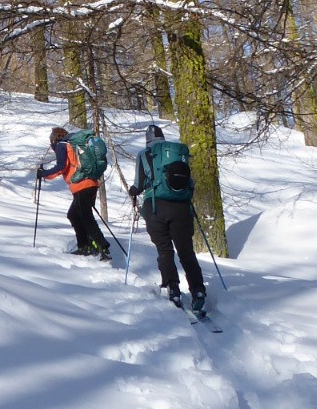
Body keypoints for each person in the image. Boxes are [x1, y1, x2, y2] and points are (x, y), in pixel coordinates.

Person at [128, 124, 206, 311]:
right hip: (181, 207)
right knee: (186, 251)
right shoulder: (178, 152)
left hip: (155, 206)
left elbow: (139, 184)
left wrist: (134, 191)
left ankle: (173, 288)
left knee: (164, 249)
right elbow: (190, 182)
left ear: (147, 139)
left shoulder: (144, 154)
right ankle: (198, 290)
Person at [40, 126, 113, 260]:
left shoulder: (62, 145)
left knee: (84, 216)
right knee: (74, 214)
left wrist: (44, 174)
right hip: (90, 183)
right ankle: (85, 245)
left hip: (81, 185)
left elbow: (61, 167)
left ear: (54, 139)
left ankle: (102, 247)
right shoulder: (72, 144)